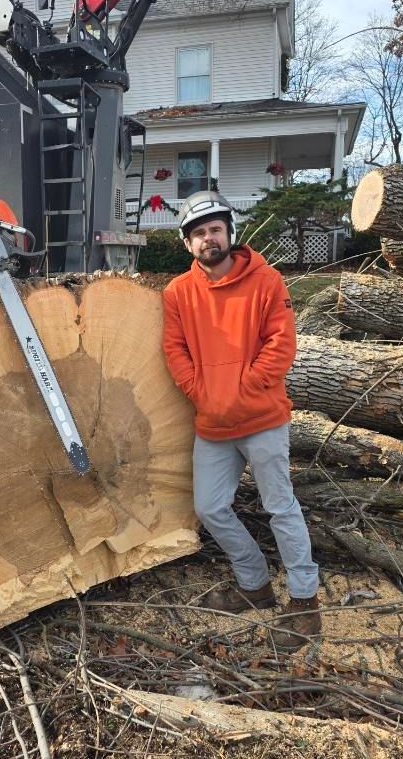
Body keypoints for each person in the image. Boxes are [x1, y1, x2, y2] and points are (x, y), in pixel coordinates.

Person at [161, 190, 320, 651]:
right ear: (188, 243)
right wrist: (202, 393)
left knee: (280, 508)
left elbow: (280, 345)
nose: (208, 238)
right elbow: (175, 350)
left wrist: (244, 388)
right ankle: (255, 584)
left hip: (263, 418)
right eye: (198, 233)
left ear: (229, 231)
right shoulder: (178, 293)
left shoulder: (267, 281)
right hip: (212, 423)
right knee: (210, 507)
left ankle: (305, 603)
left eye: (214, 229)